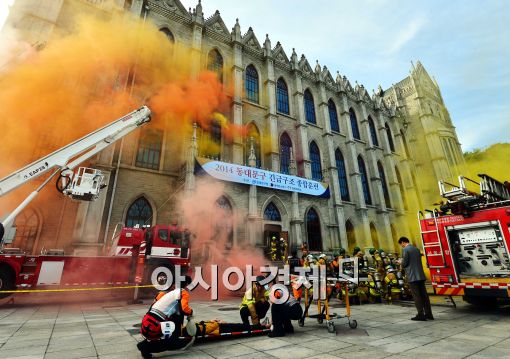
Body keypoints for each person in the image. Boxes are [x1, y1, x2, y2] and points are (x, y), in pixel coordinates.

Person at [137, 275, 194, 358]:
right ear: (186, 285)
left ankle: (147, 347)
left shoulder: (170, 293)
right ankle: (144, 347)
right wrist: (191, 312)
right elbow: (184, 308)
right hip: (157, 321)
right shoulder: (183, 292)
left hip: (149, 320)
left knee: (164, 337)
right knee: (168, 343)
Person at [398, 236, 433, 321]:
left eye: (401, 244)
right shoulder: (416, 249)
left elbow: (405, 263)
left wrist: (400, 262)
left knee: (417, 296)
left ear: (403, 242)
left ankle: (420, 314)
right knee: (424, 295)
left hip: (412, 276)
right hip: (420, 275)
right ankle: (429, 314)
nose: (401, 246)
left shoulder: (405, 250)